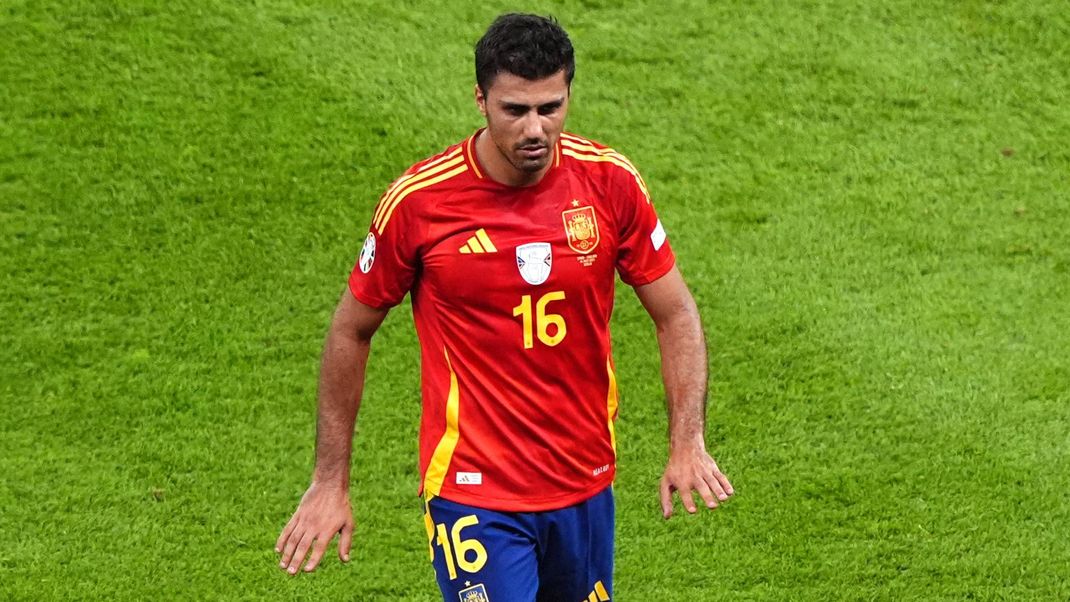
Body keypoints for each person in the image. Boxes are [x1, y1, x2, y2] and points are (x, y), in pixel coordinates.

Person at [275, 12, 733, 600]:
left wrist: (687, 443)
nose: (536, 129)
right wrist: (329, 480)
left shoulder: (610, 184)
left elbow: (676, 313)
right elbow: (351, 330)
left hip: (585, 483)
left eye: (551, 107)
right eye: (515, 110)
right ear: (481, 100)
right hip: (474, 491)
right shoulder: (421, 203)